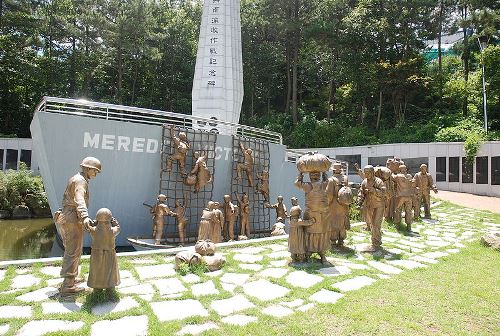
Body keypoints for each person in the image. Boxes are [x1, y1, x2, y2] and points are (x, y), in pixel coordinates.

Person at [54, 156, 101, 294]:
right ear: (88, 168)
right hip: (72, 217)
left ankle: (71, 277)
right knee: (73, 250)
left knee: (73, 248)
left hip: (69, 215)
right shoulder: (80, 181)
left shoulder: (77, 178)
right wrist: (85, 216)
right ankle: (68, 285)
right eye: (95, 171)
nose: (96, 174)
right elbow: (79, 199)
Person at [295, 171, 331, 263]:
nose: (314, 176)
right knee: (310, 232)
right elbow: (297, 184)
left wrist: (300, 176)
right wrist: (300, 176)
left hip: (322, 214)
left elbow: (297, 183)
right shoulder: (309, 185)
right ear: (310, 176)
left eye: (316, 174)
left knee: (321, 233)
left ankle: (322, 254)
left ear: (319, 176)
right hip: (311, 213)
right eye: (312, 174)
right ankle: (310, 253)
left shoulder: (321, 185)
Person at [87, 208, 120, 295]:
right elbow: (118, 227)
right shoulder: (113, 231)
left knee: (97, 271)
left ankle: (97, 289)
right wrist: (114, 222)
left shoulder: (93, 230)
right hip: (110, 254)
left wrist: (94, 222)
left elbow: (89, 226)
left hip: (96, 255)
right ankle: (111, 288)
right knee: (110, 271)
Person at [358, 165, 386, 249]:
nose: (366, 175)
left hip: (378, 205)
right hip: (369, 205)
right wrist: (359, 201)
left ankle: (376, 242)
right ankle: (375, 241)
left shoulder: (379, 181)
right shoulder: (364, 182)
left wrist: (374, 190)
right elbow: (361, 193)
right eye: (365, 173)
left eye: (368, 173)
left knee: (376, 224)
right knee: (371, 224)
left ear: (372, 173)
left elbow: (383, 192)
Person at [328, 162, 350, 247]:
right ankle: (341, 240)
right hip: (344, 205)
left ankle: (333, 240)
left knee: (333, 222)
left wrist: (326, 203)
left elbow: (329, 194)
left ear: (333, 170)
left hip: (334, 205)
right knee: (342, 222)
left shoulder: (331, 180)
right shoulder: (345, 178)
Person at [288, 197, 315, 262]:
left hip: (292, 237)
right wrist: (312, 221)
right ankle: (301, 258)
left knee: (293, 246)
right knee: (300, 246)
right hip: (298, 236)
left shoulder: (291, 221)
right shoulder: (298, 220)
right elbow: (306, 223)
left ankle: (294, 258)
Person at [393, 165, 414, 230]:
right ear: (406, 170)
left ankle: (397, 225)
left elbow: (391, 176)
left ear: (399, 170)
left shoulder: (398, 176)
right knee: (408, 211)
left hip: (400, 196)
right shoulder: (410, 176)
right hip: (409, 197)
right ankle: (409, 226)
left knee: (398, 210)